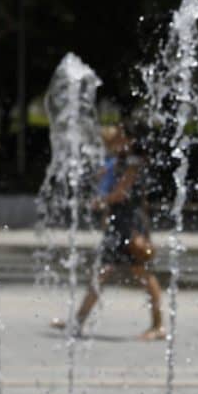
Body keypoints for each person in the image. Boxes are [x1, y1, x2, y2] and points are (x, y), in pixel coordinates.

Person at [52, 124, 165, 340]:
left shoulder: (134, 162)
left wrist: (99, 202)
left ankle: (158, 326)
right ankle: (77, 322)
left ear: (130, 141)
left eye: (121, 138)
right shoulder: (122, 161)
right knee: (104, 272)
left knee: (142, 273)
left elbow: (121, 193)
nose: (115, 143)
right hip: (121, 223)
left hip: (130, 225)